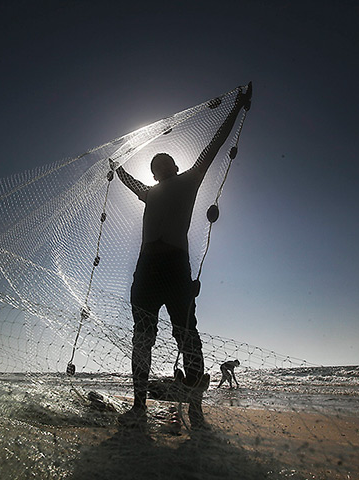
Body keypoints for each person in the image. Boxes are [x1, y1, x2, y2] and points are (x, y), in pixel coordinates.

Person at [113, 84, 252, 429]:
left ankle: (195, 407)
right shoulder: (148, 192)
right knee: (143, 335)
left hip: (175, 268)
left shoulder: (190, 181)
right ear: (155, 172)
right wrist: (118, 171)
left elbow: (214, 145)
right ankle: (140, 405)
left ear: (174, 166)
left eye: (163, 163)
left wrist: (236, 107)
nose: (160, 167)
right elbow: (130, 183)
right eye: (155, 165)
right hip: (146, 270)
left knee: (187, 333)